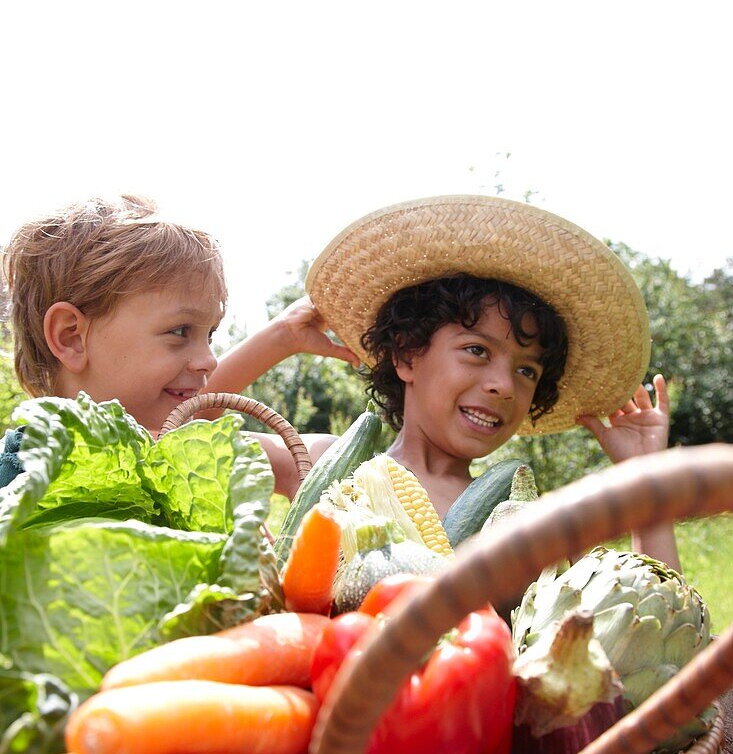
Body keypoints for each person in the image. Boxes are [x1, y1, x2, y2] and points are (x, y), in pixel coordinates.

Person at [304, 193, 681, 570]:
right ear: (406, 354)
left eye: (526, 371)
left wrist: (645, 476)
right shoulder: (330, 468)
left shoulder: (531, 522)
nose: (503, 385)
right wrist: (277, 340)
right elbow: (240, 441)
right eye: (477, 350)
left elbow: (653, 619)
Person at [0, 193, 356, 497]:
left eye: (211, 334)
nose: (209, 360)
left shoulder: (160, 450)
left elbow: (304, 453)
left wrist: (283, 336)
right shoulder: (19, 479)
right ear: (71, 337)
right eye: (180, 331)